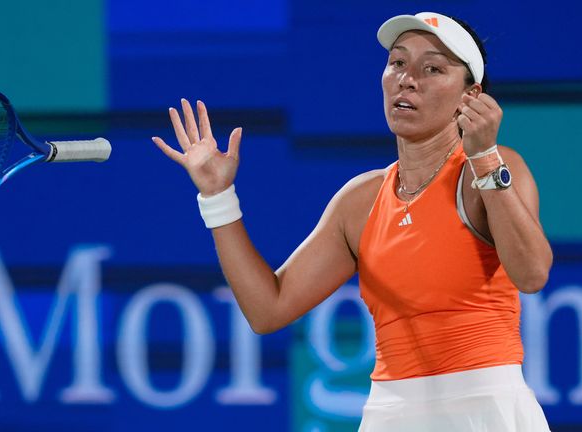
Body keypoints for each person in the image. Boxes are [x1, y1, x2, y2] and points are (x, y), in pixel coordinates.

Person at [152, 11, 553, 432]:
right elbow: (266, 309)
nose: (407, 79)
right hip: (391, 414)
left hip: (487, 409)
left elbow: (531, 274)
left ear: (470, 97)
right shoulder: (359, 202)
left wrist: (485, 156)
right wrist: (218, 196)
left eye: (432, 68)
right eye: (397, 62)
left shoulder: (493, 170)